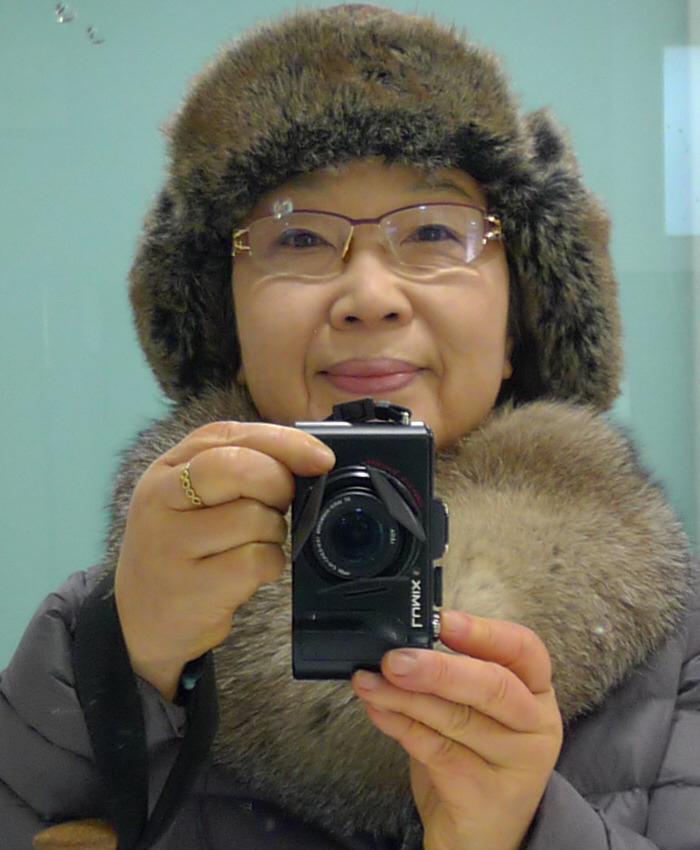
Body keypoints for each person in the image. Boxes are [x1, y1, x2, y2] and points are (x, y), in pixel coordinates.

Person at [2, 5, 699, 849]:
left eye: (434, 231)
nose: (369, 297)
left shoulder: (676, 639)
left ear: (520, 321)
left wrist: (524, 831)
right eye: (297, 236)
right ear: (227, 324)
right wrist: (123, 663)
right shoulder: (112, 612)